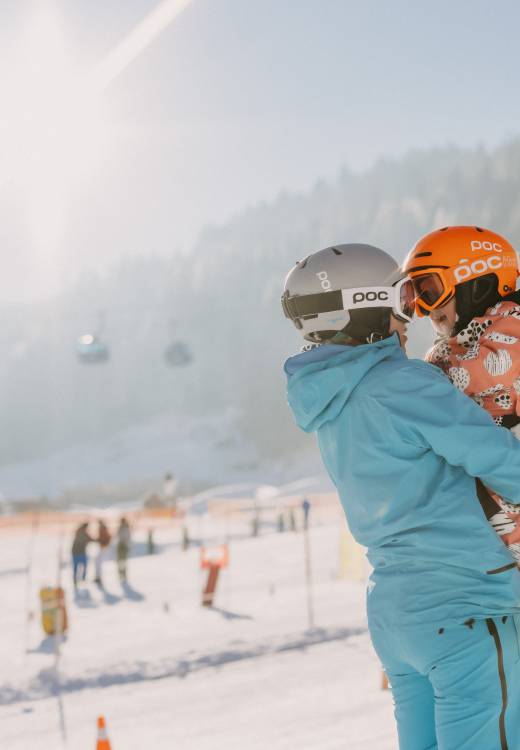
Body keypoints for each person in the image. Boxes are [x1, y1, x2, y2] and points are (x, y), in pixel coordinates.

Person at [282, 243, 520, 749]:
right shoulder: (403, 383)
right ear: (367, 304)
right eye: (404, 296)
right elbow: (498, 458)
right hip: (466, 607)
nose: (411, 312)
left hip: (394, 615)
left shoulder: (331, 402)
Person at [403, 226, 520, 560]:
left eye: (429, 290)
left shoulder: (507, 333)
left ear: (477, 282)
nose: (425, 310)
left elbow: (458, 376)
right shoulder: (468, 344)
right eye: (413, 297)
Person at [71, 521, 93, 588]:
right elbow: (90, 539)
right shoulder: (83, 533)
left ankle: (77, 579)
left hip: (75, 552)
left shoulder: (79, 532)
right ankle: (81, 578)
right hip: (80, 552)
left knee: (76, 566)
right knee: (82, 565)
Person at [94, 519, 112, 586]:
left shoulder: (103, 530)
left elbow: (107, 538)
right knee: (98, 563)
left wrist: (103, 543)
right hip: (103, 547)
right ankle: (98, 577)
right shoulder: (103, 529)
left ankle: (98, 577)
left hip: (104, 548)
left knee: (98, 563)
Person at [116, 517, 131, 582]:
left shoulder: (126, 528)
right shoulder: (121, 528)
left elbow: (127, 538)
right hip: (121, 545)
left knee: (123, 562)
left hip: (124, 546)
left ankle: (123, 575)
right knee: (120, 561)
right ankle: (121, 575)